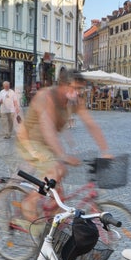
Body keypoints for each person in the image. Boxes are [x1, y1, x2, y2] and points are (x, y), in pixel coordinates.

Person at [15, 68, 111, 224]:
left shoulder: (74, 101)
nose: (79, 92)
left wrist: (105, 150)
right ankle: (30, 202)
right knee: (55, 169)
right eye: (75, 88)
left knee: (60, 177)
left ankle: (52, 220)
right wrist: (63, 155)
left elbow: (91, 124)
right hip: (29, 141)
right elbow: (48, 129)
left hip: (47, 145)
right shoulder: (46, 96)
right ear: (63, 85)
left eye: (81, 88)